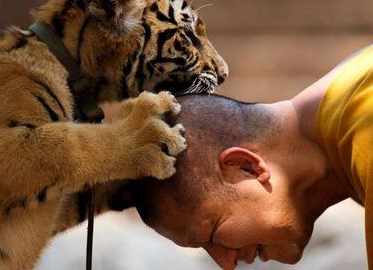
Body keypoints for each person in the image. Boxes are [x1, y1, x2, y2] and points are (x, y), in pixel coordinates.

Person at [130, 45, 373, 269]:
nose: (226, 264)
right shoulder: (351, 94)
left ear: (246, 167)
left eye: (213, 235)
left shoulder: (365, 124)